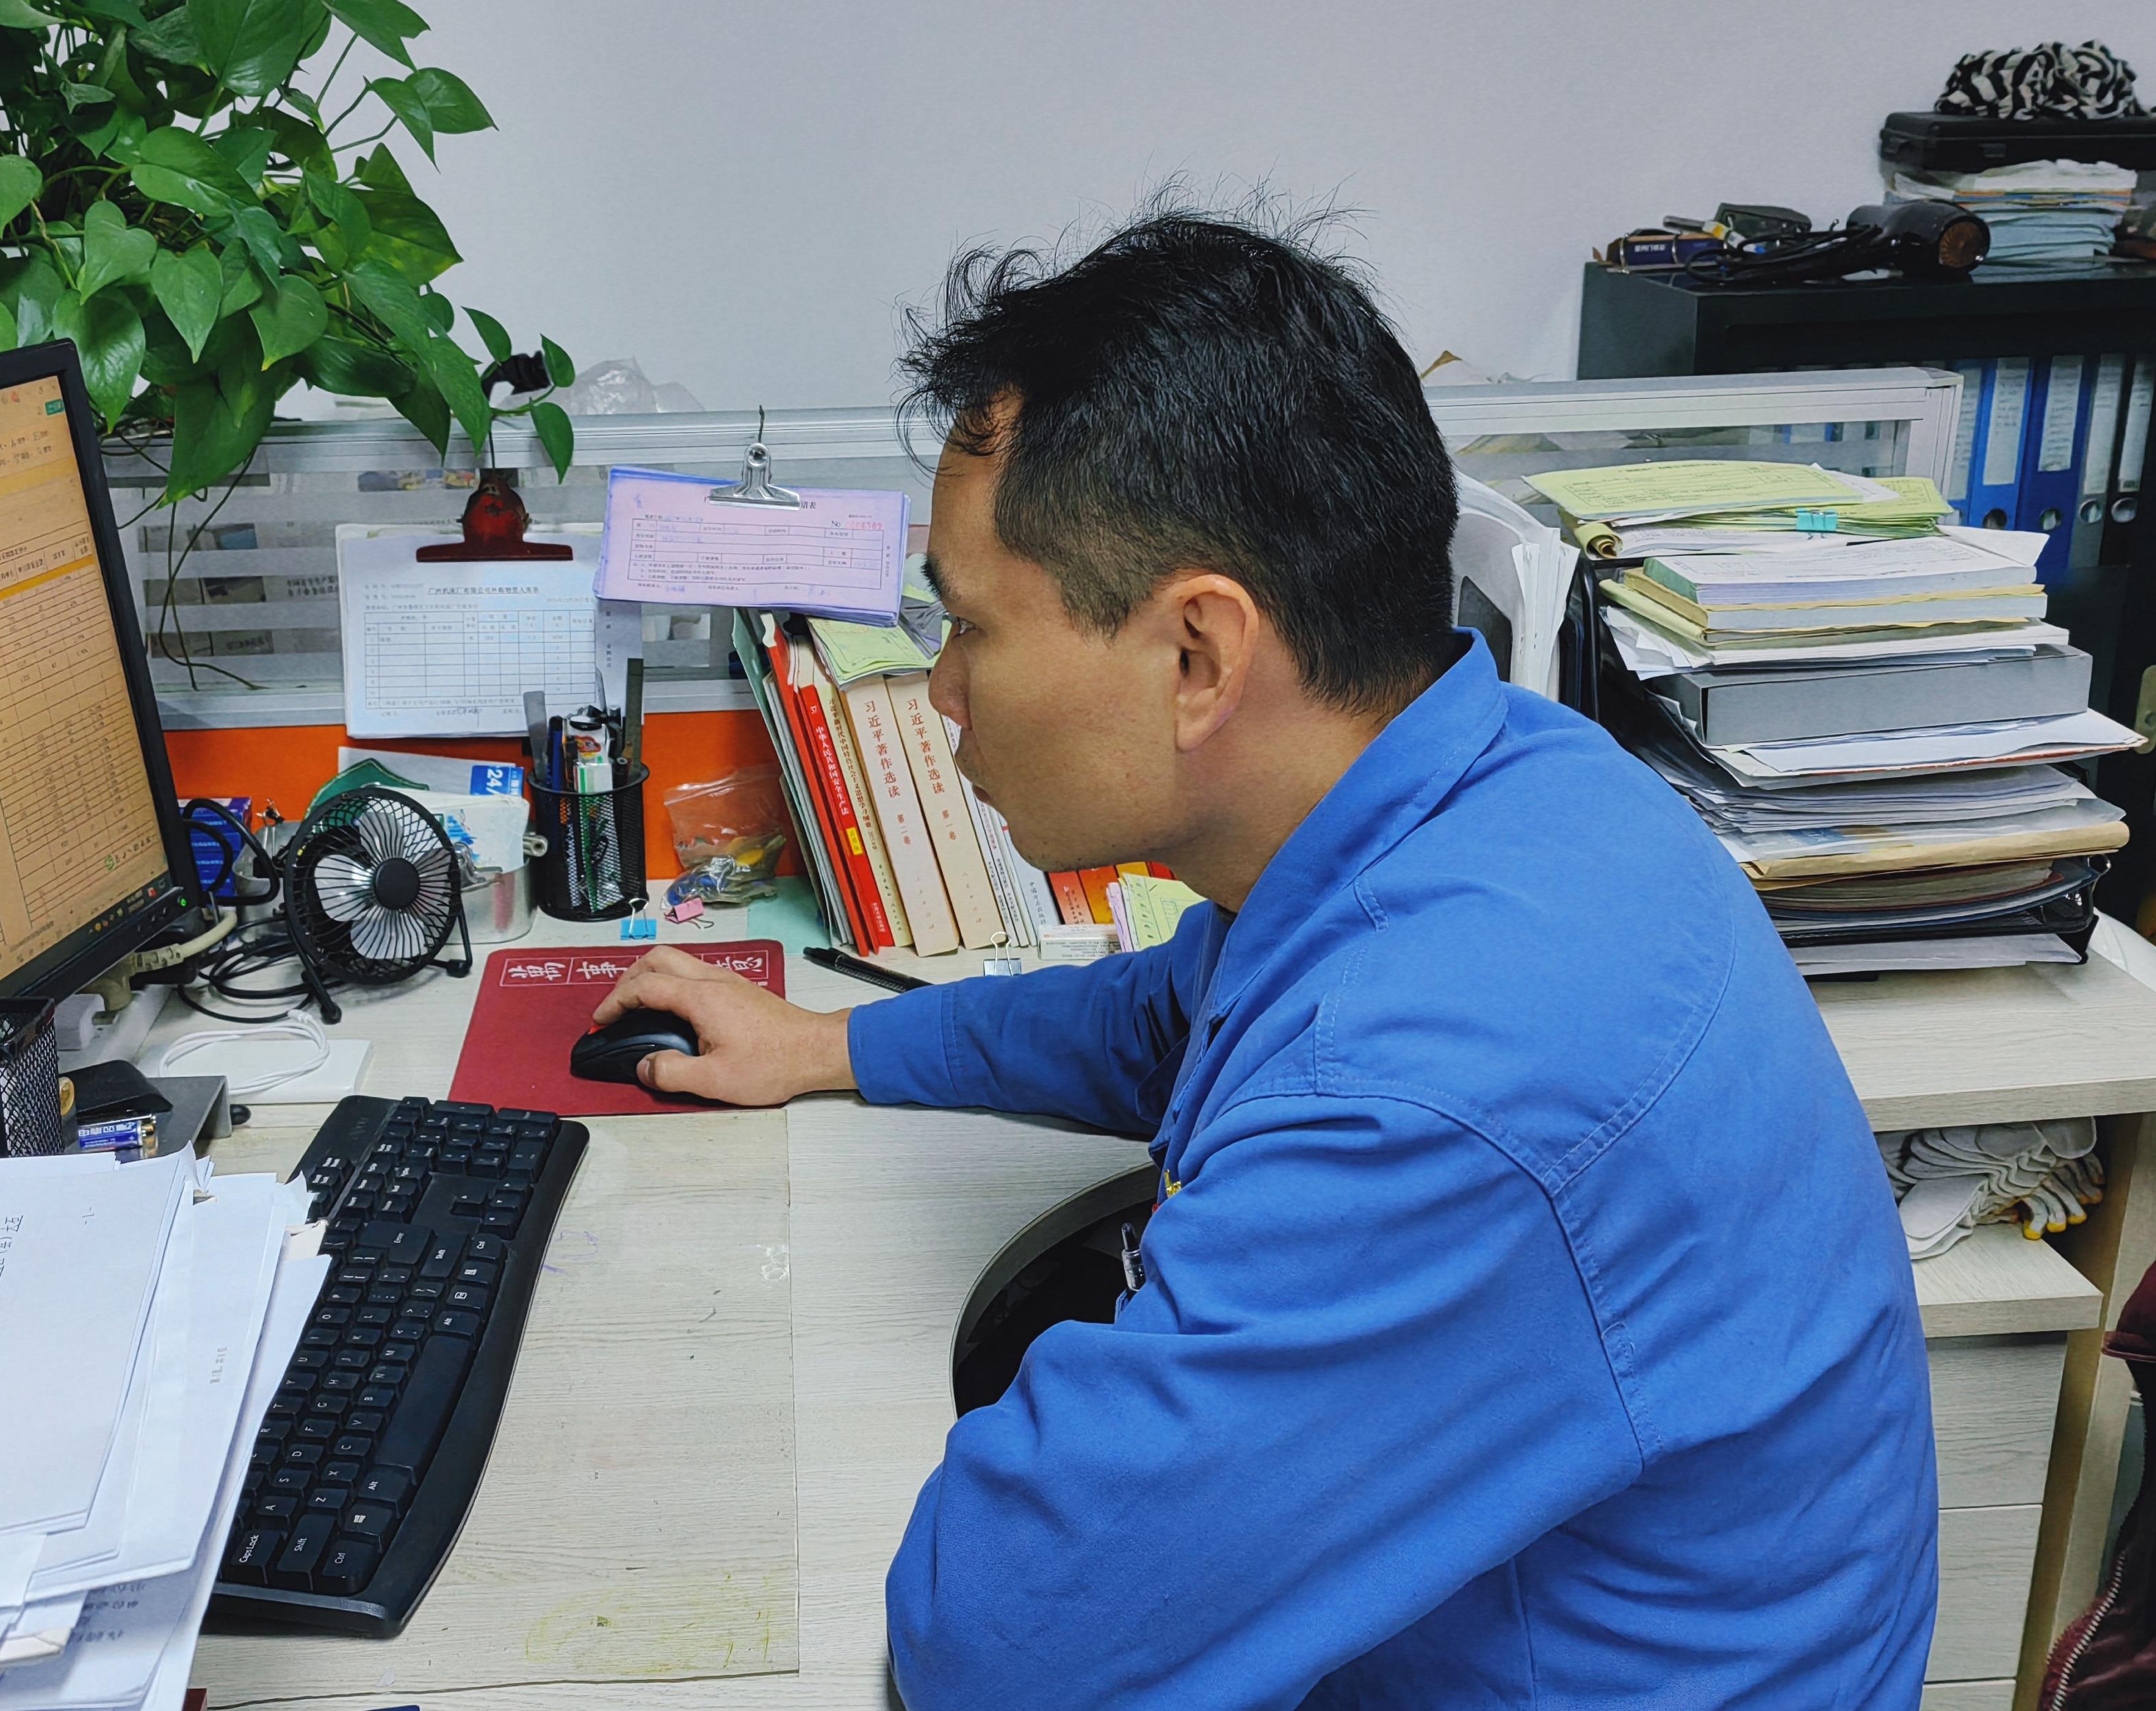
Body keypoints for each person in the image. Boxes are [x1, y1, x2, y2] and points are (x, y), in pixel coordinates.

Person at [591, 210, 1939, 1707]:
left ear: (1197, 656)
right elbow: (1173, 1012)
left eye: (966, 626)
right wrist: (831, 1048)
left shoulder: (1432, 1091)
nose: (942, 689)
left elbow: (996, 1649)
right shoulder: (1502, 777)